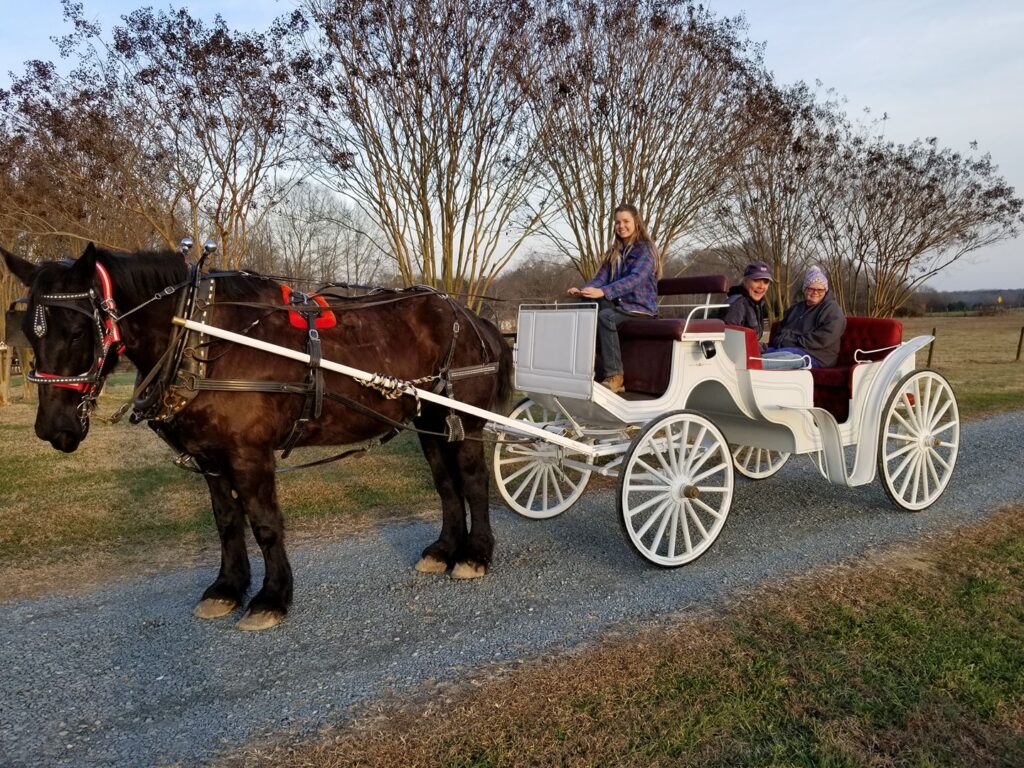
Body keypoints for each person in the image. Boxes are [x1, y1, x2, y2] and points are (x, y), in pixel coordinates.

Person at [567, 204, 659, 393]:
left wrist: (605, 292)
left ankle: (615, 375)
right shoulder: (614, 251)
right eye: (617, 222)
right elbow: (601, 278)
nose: (621, 226)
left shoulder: (645, 250)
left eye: (626, 221)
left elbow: (635, 279)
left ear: (636, 223)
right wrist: (584, 290)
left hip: (639, 308)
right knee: (585, 305)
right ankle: (586, 367)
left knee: (605, 316)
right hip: (619, 305)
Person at [762, 265, 846, 370]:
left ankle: (756, 364)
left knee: (767, 362)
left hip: (815, 355)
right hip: (786, 349)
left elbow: (824, 337)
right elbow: (781, 330)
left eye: (820, 290)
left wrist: (795, 342)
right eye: (811, 289)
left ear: (825, 291)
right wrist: (778, 342)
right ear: (805, 289)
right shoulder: (795, 309)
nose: (815, 292)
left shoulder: (832, 310)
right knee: (754, 355)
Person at [722, 260, 772, 339]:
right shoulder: (737, 304)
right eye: (756, 280)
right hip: (741, 350)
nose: (761, 286)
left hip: (751, 348)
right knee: (788, 351)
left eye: (766, 282)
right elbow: (731, 339)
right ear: (745, 281)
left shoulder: (755, 303)